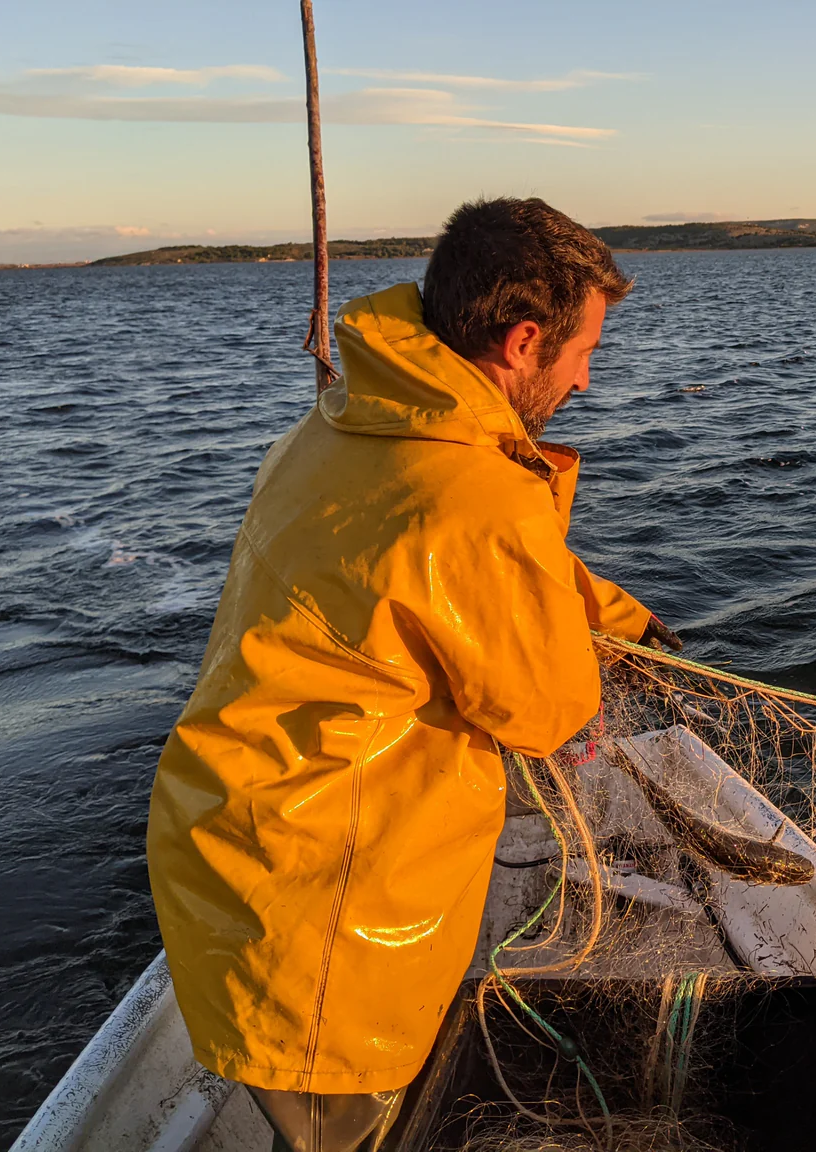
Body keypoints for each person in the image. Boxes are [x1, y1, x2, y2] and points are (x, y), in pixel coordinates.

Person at [146, 197, 681, 1151]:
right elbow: (549, 706)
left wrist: (622, 615)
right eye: (584, 352)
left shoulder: (352, 427)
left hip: (235, 854)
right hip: (329, 927)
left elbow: (465, 567)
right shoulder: (478, 498)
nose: (589, 381)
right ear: (522, 341)